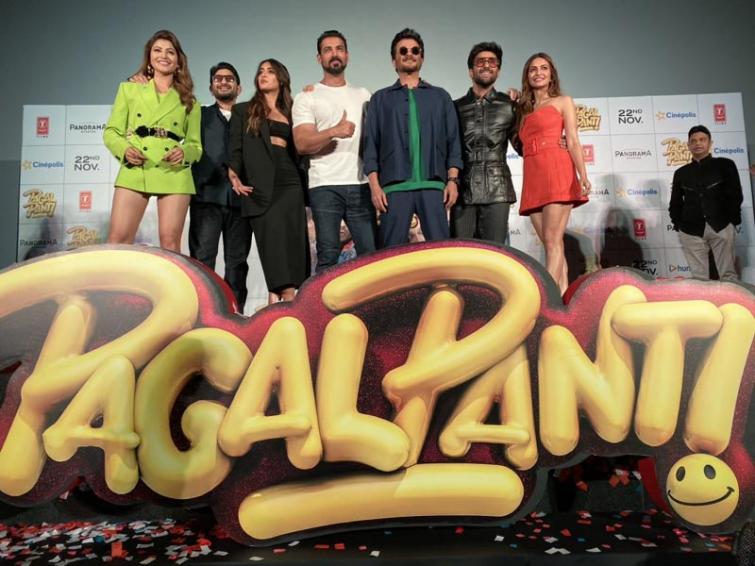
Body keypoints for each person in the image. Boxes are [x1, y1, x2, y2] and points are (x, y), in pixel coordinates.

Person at [104, 29, 201, 252]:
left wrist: (184, 153)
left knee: (170, 244)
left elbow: (196, 146)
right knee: (117, 241)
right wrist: (125, 150)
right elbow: (111, 132)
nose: (163, 56)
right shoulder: (129, 89)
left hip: (174, 171)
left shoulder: (190, 101)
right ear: (149, 57)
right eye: (157, 50)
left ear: (179, 61)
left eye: (170, 52)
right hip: (136, 166)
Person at [363, 28, 462, 248]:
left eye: (415, 50)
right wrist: (375, 187)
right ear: (394, 60)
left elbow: (453, 141)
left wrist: (453, 181)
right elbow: (371, 146)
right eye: (403, 51)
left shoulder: (440, 97)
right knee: (390, 255)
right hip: (393, 189)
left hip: (433, 187)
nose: (409, 54)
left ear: (422, 58)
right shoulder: (380, 99)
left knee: (441, 252)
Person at [292, 30, 376, 272]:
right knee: (328, 255)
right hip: (324, 185)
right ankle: (323, 300)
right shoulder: (306, 97)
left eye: (339, 48)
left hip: (360, 184)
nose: (334, 54)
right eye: (327, 50)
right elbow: (302, 144)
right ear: (319, 58)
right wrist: (333, 131)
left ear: (347, 55)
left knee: (371, 255)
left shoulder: (364, 95)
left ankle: (367, 300)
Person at [227, 59, 309, 305]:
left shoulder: (294, 110)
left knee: (294, 248)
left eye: (270, 71)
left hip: (291, 183)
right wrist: (234, 174)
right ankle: (286, 304)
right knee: (274, 251)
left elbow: (301, 149)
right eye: (260, 71)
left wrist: (310, 94)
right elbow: (235, 148)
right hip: (260, 188)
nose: (263, 75)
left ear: (281, 79)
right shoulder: (243, 110)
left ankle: (285, 307)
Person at [517, 52, 590, 294]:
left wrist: (583, 175)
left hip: (557, 170)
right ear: (527, 76)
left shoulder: (563, 101)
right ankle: (562, 298)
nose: (538, 72)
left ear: (551, 75)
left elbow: (573, 140)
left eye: (544, 68)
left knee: (552, 241)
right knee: (552, 244)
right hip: (533, 175)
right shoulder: (523, 109)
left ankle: (546, 299)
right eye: (533, 69)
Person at [189, 62, 253, 313]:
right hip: (206, 198)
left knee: (237, 264)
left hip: (241, 200)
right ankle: (202, 316)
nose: (223, 82)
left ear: (239, 87)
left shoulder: (250, 117)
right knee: (202, 262)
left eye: (229, 78)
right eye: (218, 79)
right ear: (211, 87)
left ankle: (235, 316)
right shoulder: (199, 115)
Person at [453, 42, 519, 244]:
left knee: (494, 255)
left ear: (498, 70)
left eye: (492, 62)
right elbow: (446, 150)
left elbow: (523, 145)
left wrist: (552, 140)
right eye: (481, 62)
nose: (487, 65)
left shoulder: (510, 105)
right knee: (461, 255)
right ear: (471, 71)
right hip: (462, 191)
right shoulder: (455, 107)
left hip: (498, 190)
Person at [669, 125, 742, 281]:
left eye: (702, 139)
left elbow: (736, 194)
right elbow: (675, 202)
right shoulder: (681, 173)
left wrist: (731, 221)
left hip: (721, 225)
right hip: (690, 229)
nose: (698, 143)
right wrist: (678, 224)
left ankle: (730, 298)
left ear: (710, 143)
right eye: (693, 141)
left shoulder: (725, 165)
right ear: (688, 145)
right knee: (699, 279)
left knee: (728, 275)